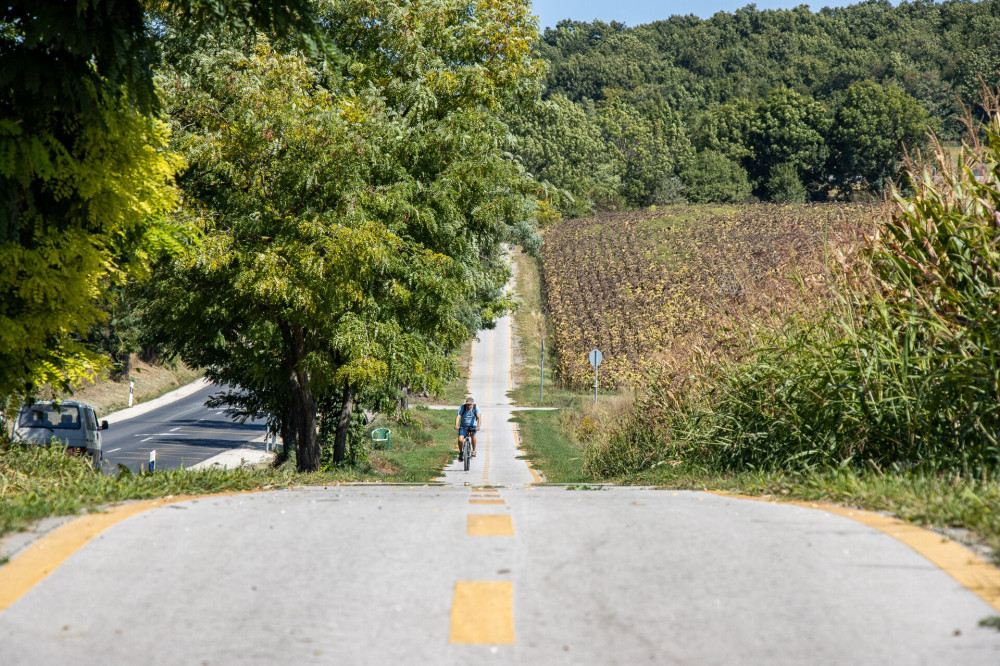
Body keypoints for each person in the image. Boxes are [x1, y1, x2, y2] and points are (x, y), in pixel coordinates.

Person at [455, 396, 481, 461]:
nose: (469, 406)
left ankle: (474, 451)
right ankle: (461, 452)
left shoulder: (475, 407)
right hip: (463, 426)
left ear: (472, 404)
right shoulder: (462, 407)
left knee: (473, 435)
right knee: (460, 440)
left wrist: (478, 426)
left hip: (473, 426)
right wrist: (456, 425)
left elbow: (479, 417)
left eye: (470, 405)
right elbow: (458, 417)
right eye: (467, 405)